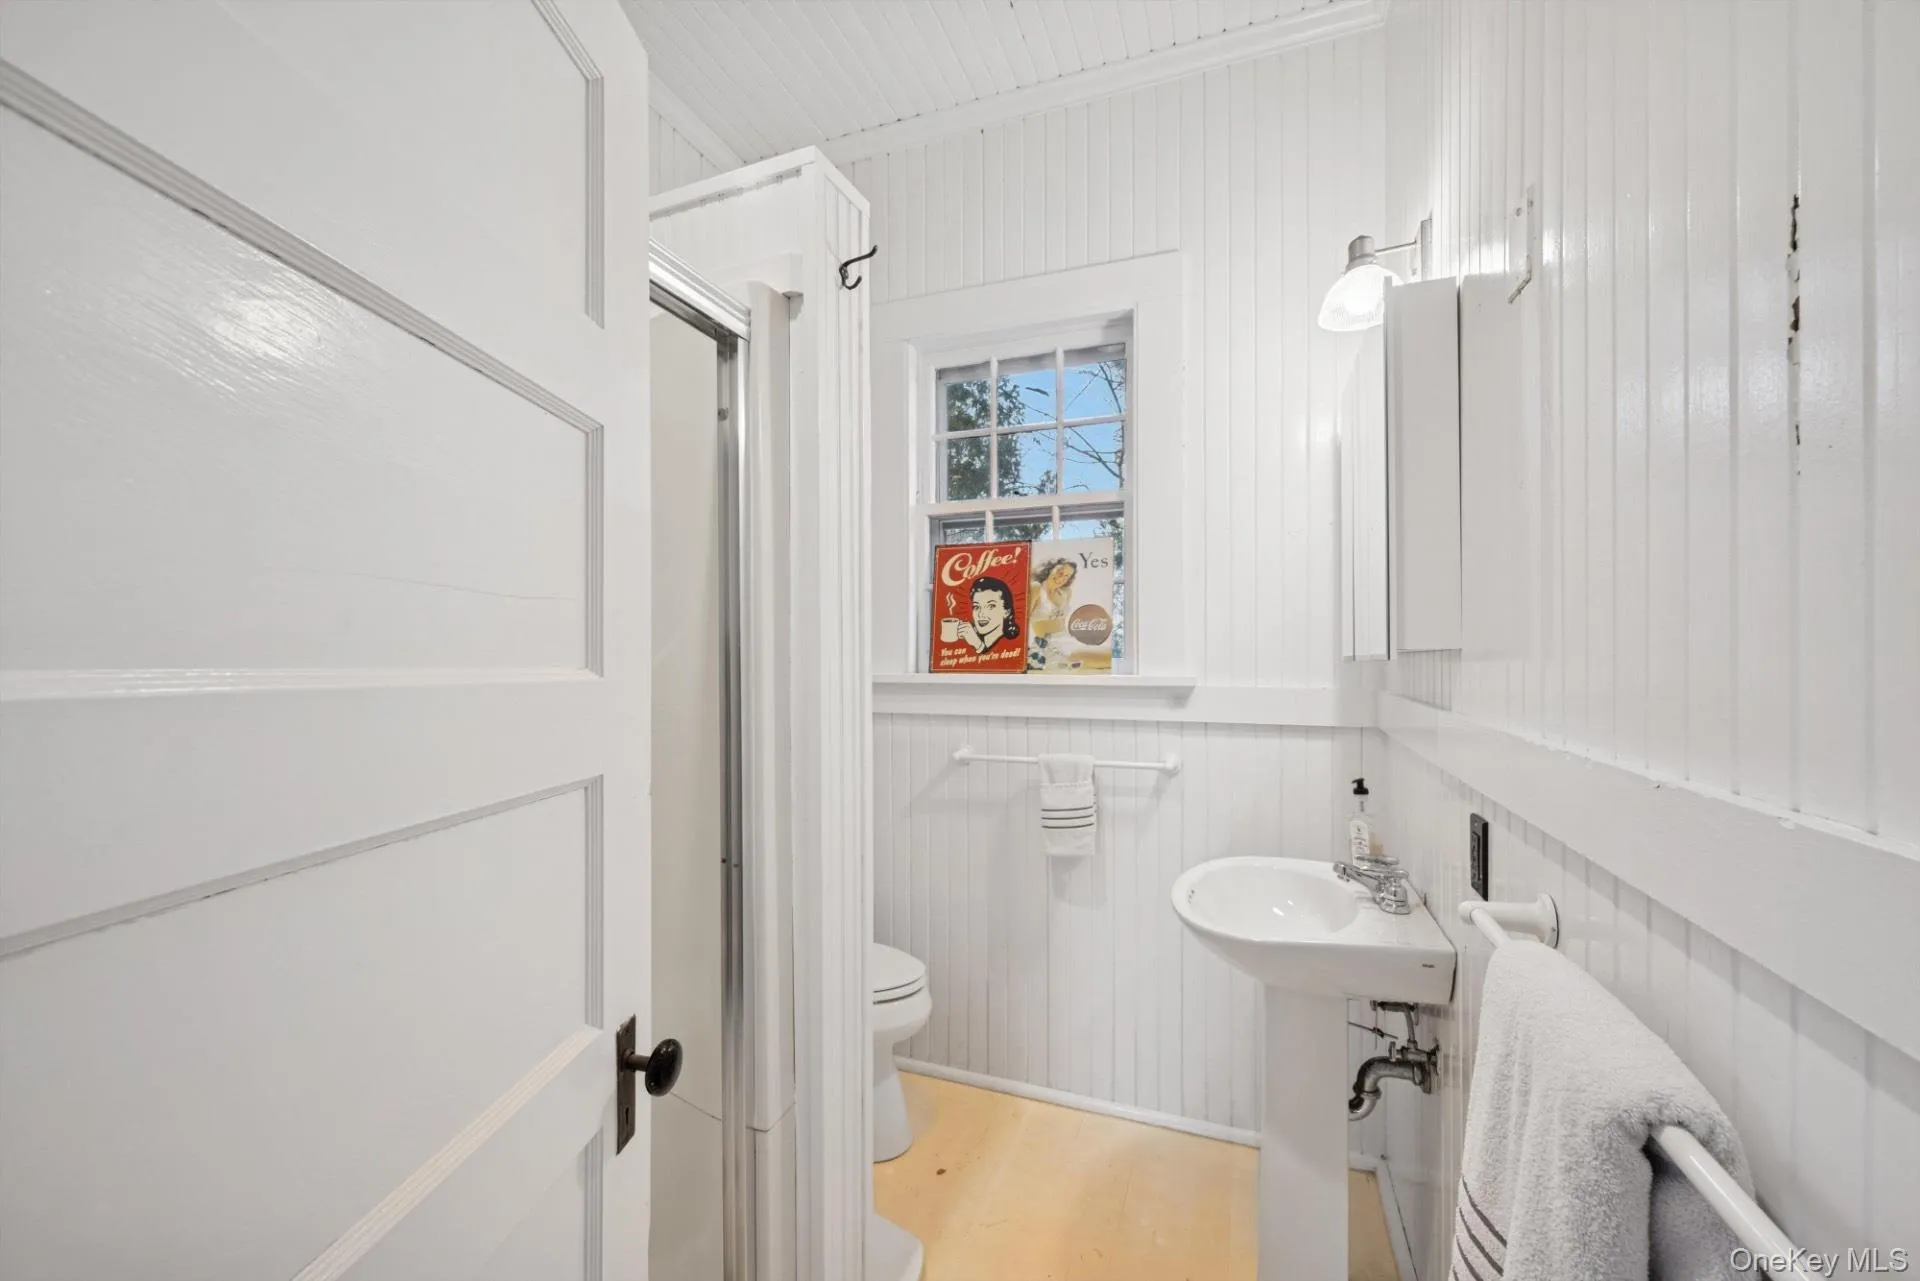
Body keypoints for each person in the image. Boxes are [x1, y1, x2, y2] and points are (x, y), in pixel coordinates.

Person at [1027, 557, 1078, 670]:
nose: (1062, 577)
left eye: (1067, 576)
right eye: (1060, 572)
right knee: (1093, 659)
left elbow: (1063, 623)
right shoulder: (1037, 588)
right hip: (1043, 645)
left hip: (1064, 642)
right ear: (1050, 568)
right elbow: (1023, 621)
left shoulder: (1066, 593)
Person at [955, 576, 1020, 654]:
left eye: (991, 606)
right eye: (976, 607)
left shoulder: (1010, 644)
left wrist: (978, 645)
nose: (981, 614)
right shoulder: (972, 639)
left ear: (1006, 612)